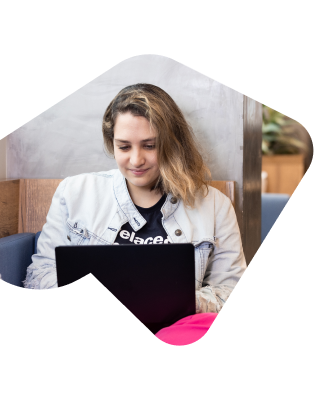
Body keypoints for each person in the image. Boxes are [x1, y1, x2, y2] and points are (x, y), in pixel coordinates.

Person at [23, 83, 246, 319]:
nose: (136, 160)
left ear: (172, 144)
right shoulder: (74, 193)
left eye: (150, 146)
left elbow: (229, 288)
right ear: (112, 143)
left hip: (174, 329)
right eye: (124, 147)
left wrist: (181, 300)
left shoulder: (216, 206)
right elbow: (39, 276)